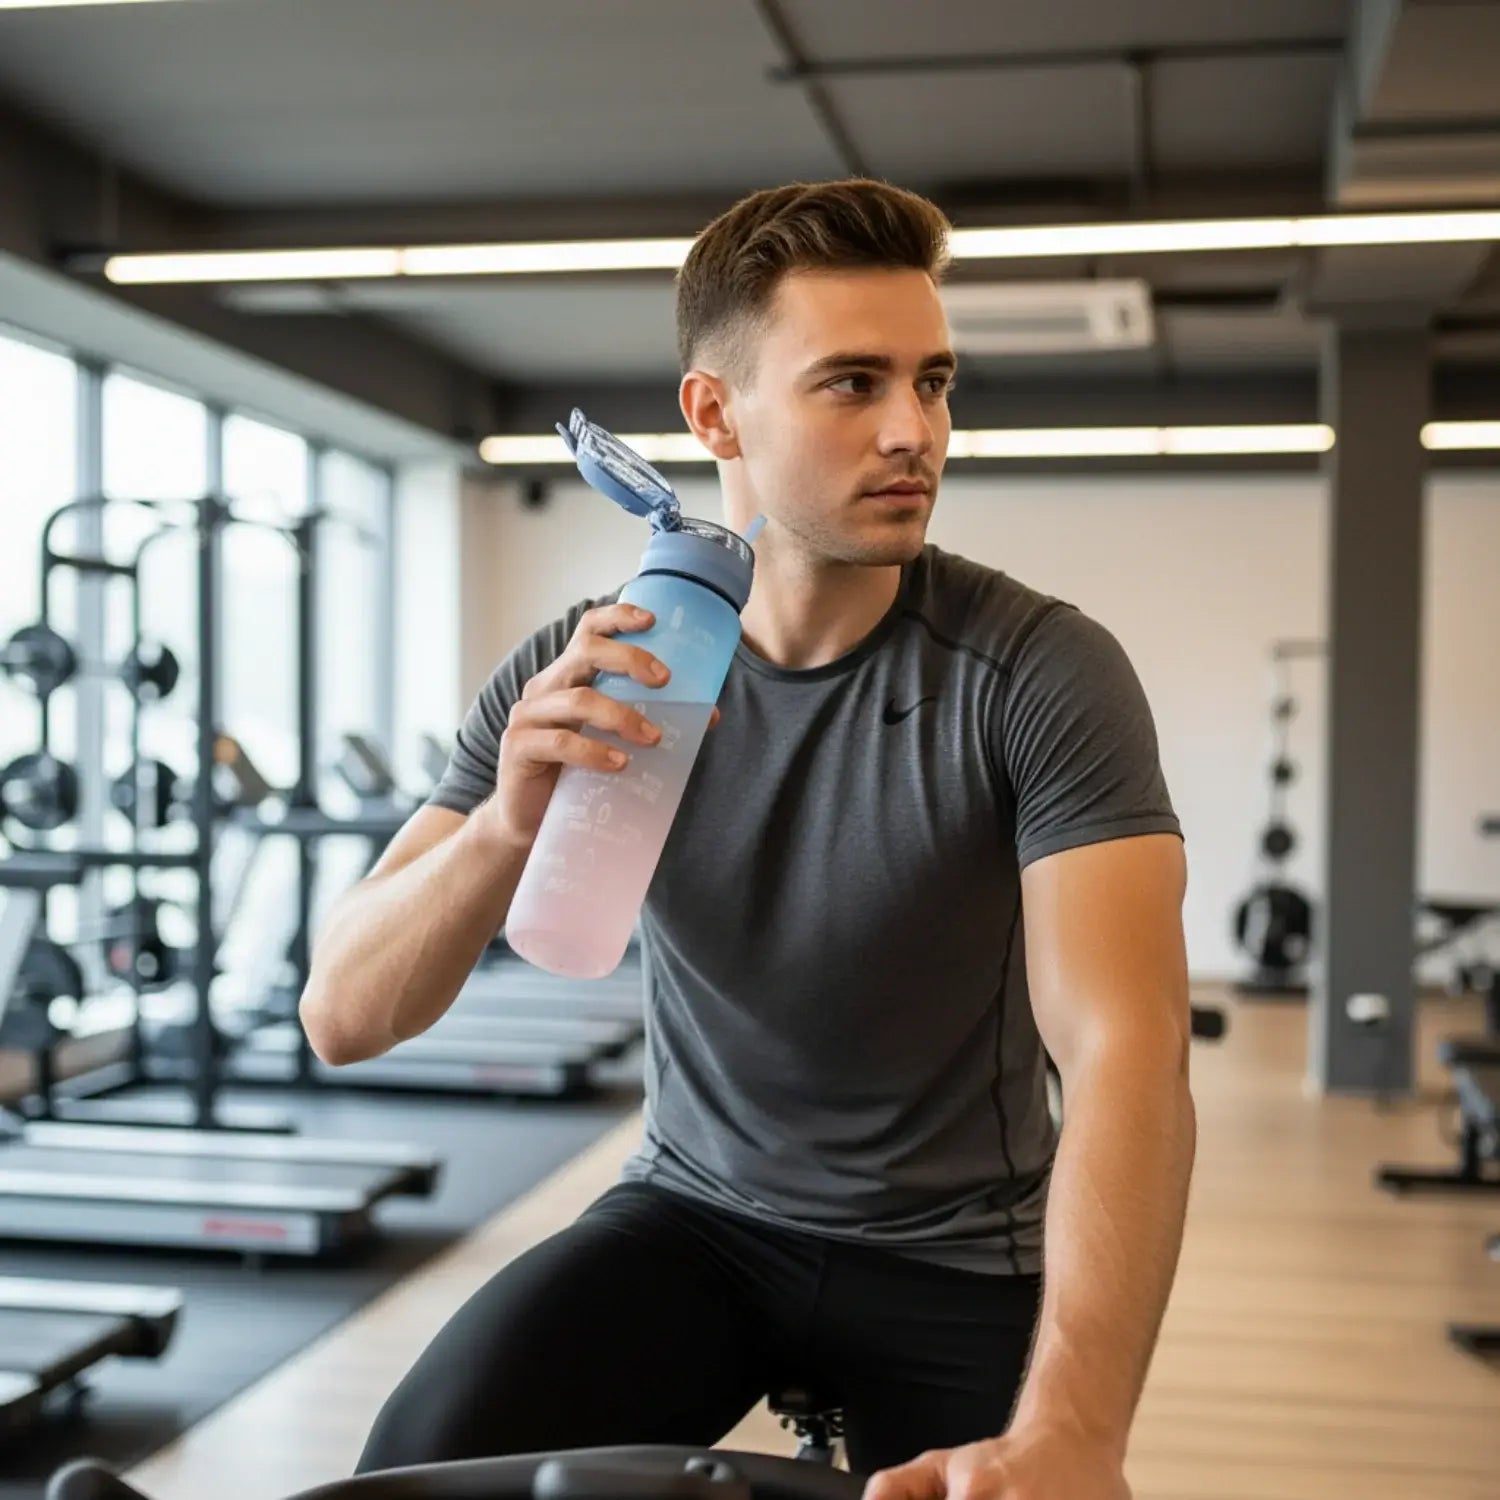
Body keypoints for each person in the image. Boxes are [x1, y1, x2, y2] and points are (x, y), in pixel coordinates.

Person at [300, 178, 1195, 1500]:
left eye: (934, 381)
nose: (915, 431)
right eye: (852, 384)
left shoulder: (1036, 673)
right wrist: (502, 827)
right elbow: (344, 1014)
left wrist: (1078, 1427)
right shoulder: (591, 667)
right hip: (697, 1219)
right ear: (714, 411)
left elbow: (1127, 1051)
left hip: (963, 1253)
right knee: (414, 1475)